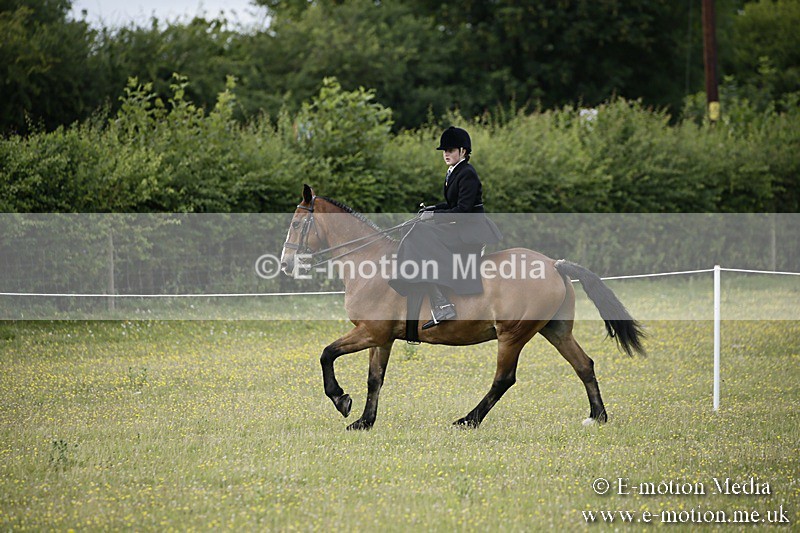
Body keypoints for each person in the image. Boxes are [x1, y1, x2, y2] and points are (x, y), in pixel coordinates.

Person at [389, 126, 502, 329]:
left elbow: (463, 210)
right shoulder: (453, 172)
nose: (446, 154)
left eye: (450, 150)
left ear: (463, 152)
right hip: (460, 227)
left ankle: (442, 303)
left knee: (420, 234)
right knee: (412, 228)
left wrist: (434, 217)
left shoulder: (467, 173)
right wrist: (430, 210)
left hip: (471, 230)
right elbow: (451, 205)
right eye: (444, 151)